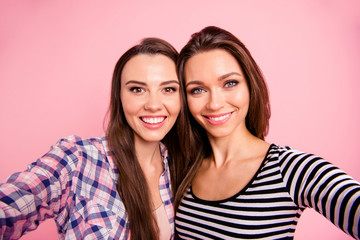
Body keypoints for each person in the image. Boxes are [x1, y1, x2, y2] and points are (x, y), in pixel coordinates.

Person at [174, 26, 360, 239]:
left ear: (250, 86)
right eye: (198, 90)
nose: (215, 103)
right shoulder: (184, 170)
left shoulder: (289, 169)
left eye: (230, 83)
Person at [0, 37, 188, 240]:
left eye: (168, 89)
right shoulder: (77, 159)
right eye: (137, 89)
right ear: (120, 96)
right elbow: (10, 205)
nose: (153, 104)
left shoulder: (182, 166)